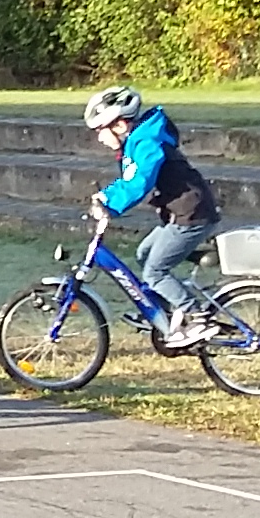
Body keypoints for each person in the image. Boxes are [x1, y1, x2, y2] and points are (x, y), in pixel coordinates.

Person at [83, 85, 221, 346]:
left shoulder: (147, 143)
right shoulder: (137, 141)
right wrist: (105, 196)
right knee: (144, 253)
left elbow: (141, 182)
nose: (99, 138)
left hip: (191, 216)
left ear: (120, 125)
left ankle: (197, 317)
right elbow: (130, 178)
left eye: (100, 130)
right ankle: (161, 313)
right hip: (180, 215)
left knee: (155, 272)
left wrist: (111, 204)